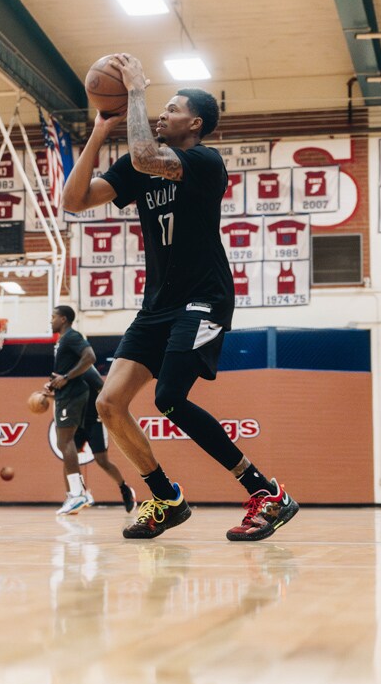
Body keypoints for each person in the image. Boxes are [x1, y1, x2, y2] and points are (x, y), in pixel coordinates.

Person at [62, 53, 298, 541]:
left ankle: (265, 492)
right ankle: (165, 498)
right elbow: (74, 200)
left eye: (172, 109)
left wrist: (135, 91)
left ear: (194, 124)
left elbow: (148, 157)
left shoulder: (205, 162)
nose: (161, 114)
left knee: (169, 397)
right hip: (158, 305)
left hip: (203, 298)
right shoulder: (137, 166)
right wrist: (98, 133)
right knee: (109, 403)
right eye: (160, 107)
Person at [47, 304, 96, 515]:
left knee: (65, 441)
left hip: (73, 394)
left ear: (63, 319)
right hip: (66, 394)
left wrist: (66, 378)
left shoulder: (72, 337)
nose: (51, 321)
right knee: (64, 442)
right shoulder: (62, 341)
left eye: (53, 317)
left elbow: (90, 357)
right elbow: (64, 371)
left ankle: (78, 494)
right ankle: (78, 492)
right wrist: (54, 383)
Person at [73, 365, 137, 513]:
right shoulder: (64, 371)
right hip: (76, 422)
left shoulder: (87, 369)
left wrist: (104, 411)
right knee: (70, 457)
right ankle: (78, 494)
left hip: (95, 421)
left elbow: (103, 389)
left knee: (102, 460)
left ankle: (124, 488)